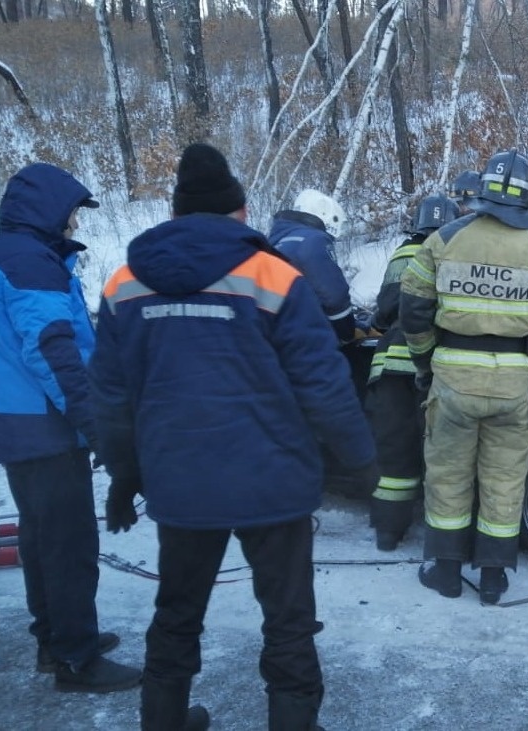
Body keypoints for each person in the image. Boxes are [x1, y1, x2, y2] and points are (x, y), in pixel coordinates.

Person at [89, 143, 377, 730]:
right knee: (288, 618)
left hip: (180, 481)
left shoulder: (123, 285)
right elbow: (323, 384)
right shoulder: (274, 275)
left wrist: (124, 473)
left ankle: (163, 721)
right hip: (272, 482)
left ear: (175, 213)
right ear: (241, 212)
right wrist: (366, 465)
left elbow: (112, 398)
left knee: (177, 611)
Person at [0, 163, 142, 693]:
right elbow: (53, 353)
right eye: (70, 213)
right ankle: (76, 659)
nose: (74, 225)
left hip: (20, 425)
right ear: (48, 210)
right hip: (44, 425)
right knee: (68, 545)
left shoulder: (10, 254)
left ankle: (55, 639)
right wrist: (98, 427)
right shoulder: (29, 261)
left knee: (42, 541)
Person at [400, 150, 528, 605]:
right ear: (526, 196)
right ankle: (494, 579)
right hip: (514, 387)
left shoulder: (444, 238)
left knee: (448, 476)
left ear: (481, 191)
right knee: (504, 480)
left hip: (454, 380)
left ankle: (445, 573)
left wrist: (425, 362)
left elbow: (413, 310)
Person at [366, 195, 461, 551]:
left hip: (390, 365)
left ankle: (388, 533)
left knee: (392, 452)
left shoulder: (404, 252)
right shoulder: (455, 253)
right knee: (441, 453)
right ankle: (445, 539)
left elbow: (386, 306)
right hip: (435, 367)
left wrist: (378, 321)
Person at [269, 189, 356, 344]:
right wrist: (348, 330)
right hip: (304, 338)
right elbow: (333, 296)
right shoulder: (313, 239)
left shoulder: (274, 242)